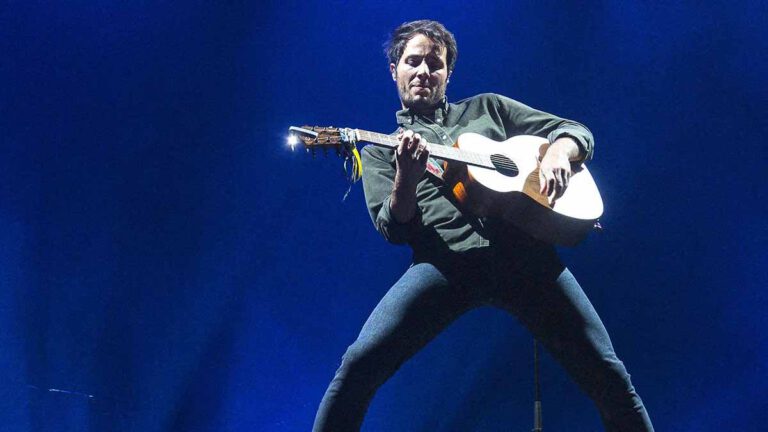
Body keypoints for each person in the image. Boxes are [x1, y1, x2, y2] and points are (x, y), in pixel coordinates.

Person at [312, 20, 654, 432]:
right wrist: (407, 175)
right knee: (358, 365)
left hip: (527, 260)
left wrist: (559, 153)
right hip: (444, 264)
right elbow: (394, 228)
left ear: (448, 73)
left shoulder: (488, 109)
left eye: (434, 64)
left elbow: (574, 131)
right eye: (413, 61)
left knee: (609, 375)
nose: (423, 71)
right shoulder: (382, 152)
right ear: (394, 69)